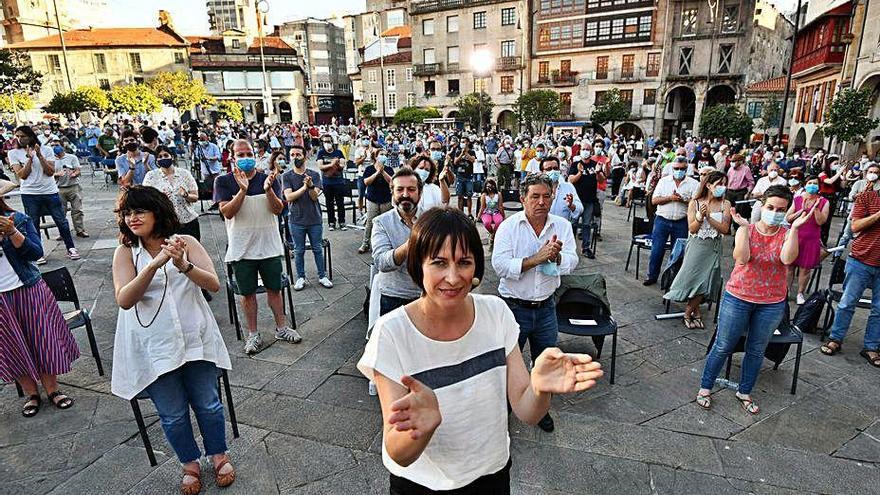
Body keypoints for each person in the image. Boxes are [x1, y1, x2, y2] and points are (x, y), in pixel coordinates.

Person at [358, 207, 602, 493]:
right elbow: (399, 452)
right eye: (438, 262)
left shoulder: (495, 313)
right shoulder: (392, 332)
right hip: (422, 484)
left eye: (464, 262)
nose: (452, 277)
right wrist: (418, 431)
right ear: (417, 264)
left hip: (492, 475)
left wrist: (539, 388)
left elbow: (528, 411)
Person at [110, 186, 234, 494]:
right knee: (173, 413)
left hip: (195, 337)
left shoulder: (187, 242)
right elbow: (125, 299)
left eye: (139, 211)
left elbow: (214, 284)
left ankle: (219, 454)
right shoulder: (126, 252)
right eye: (127, 213)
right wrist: (153, 265)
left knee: (208, 404)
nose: (132, 218)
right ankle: (189, 464)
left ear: (158, 211)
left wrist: (183, 265)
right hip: (155, 345)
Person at [697, 186, 810, 414]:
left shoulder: (787, 233)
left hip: (772, 302)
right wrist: (745, 230)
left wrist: (795, 229)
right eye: (770, 207)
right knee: (723, 345)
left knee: (757, 349)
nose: (775, 212)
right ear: (762, 206)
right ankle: (705, 387)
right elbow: (742, 258)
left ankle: (745, 390)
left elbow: (787, 259)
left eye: (781, 209)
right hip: (738, 297)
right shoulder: (745, 229)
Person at [491, 173, 579, 432]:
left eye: (546, 196)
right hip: (513, 308)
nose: (541, 202)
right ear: (523, 198)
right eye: (535, 196)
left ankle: (540, 410)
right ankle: (504, 409)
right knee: (508, 362)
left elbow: (573, 261)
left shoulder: (562, 226)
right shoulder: (509, 227)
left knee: (545, 363)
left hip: (546, 307)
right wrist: (536, 259)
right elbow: (500, 265)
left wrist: (558, 258)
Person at [215, 139, 300, 354]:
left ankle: (281, 327)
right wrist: (242, 191)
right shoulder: (223, 181)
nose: (245, 158)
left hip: (268, 246)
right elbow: (227, 212)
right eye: (240, 155)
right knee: (247, 294)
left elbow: (278, 209)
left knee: (275, 289)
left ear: (255, 153)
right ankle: (252, 334)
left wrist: (269, 190)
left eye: (248, 153)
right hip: (241, 248)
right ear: (232, 157)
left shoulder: (268, 178)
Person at [0, 195, 79, 418]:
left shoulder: (18, 219)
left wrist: (13, 232)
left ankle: (53, 390)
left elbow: (36, 253)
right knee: (11, 345)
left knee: (42, 338)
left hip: (27, 288)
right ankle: (31, 393)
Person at [820, 166, 880, 367]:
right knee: (847, 303)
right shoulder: (866, 198)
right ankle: (835, 338)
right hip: (861, 259)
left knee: (879, 309)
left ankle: (871, 346)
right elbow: (854, 226)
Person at [664, 171, 731, 328]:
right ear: (708, 185)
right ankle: (695, 311)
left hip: (714, 246)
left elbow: (725, 229)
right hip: (697, 245)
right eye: (719, 184)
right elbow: (692, 229)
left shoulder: (725, 204)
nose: (723, 187)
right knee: (693, 277)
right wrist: (700, 217)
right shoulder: (695, 202)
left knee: (706, 279)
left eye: (724, 184)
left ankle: (689, 311)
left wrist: (709, 217)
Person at [8, 125, 80, 262]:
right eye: (17, 136)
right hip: (29, 193)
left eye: (22, 136)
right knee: (33, 223)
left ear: (30, 136)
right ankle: (39, 252)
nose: (19, 139)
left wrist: (39, 155)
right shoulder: (13, 153)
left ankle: (70, 248)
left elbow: (50, 172)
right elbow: (22, 175)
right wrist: (29, 159)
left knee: (61, 220)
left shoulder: (46, 150)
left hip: (49, 191)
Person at [282, 144, 333, 291]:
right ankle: (300, 277)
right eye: (292, 155)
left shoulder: (314, 175)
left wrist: (310, 186)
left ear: (305, 156)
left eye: (298, 154)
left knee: (317, 248)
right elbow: (289, 197)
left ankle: (322, 275)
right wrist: (304, 187)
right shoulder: (287, 176)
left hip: (314, 219)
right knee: (299, 250)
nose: (295, 157)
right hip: (296, 220)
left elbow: (314, 197)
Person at [644, 158, 699, 285]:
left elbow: (695, 203)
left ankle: (673, 279)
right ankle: (652, 276)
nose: (679, 171)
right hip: (662, 220)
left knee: (678, 252)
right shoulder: (664, 181)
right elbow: (654, 200)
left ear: (686, 169)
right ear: (672, 168)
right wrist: (670, 198)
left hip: (681, 221)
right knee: (656, 250)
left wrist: (683, 200)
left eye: (682, 169)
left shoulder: (693, 183)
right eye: (676, 168)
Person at [785, 176, 829, 305]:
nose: (812, 185)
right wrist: (802, 211)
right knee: (789, 266)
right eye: (810, 183)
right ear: (805, 184)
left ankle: (800, 293)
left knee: (805, 268)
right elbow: (788, 218)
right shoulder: (797, 199)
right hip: (795, 237)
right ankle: (786, 291)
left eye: (815, 183)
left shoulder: (824, 202)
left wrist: (815, 208)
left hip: (811, 239)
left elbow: (821, 221)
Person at [51, 137, 89, 238]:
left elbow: (78, 170)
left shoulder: (72, 157)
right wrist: (56, 174)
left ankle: (80, 230)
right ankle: (63, 233)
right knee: (60, 212)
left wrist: (74, 174)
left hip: (73, 186)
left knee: (77, 209)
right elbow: (48, 173)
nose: (56, 148)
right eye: (53, 145)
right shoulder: (51, 160)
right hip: (59, 188)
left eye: (57, 145)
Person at [358, 149, 393, 254]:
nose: (383, 156)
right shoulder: (369, 168)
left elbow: (392, 182)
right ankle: (365, 243)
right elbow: (366, 182)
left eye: (385, 155)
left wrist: (383, 172)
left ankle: (386, 244)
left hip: (386, 200)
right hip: (373, 199)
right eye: (381, 154)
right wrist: (377, 172)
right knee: (370, 222)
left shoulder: (389, 169)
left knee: (385, 223)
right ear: (376, 156)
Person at [317, 134, 348, 231]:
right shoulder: (321, 153)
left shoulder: (338, 152)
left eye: (328, 141)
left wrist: (337, 164)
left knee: (340, 203)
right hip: (327, 182)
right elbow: (321, 166)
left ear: (332, 142)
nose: (327, 143)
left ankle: (342, 222)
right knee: (329, 203)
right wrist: (332, 164)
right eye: (325, 141)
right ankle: (331, 222)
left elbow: (342, 165)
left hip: (338, 182)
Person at [477, 177, 505, 248]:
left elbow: (500, 206)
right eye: (488, 186)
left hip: (496, 212)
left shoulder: (498, 194)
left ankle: (494, 235)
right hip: (487, 212)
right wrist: (478, 216)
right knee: (487, 223)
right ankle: (492, 233)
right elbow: (482, 207)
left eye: (491, 186)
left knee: (499, 222)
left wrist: (503, 216)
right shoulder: (484, 195)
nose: (490, 188)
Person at [453, 135, 477, 218]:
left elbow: (473, 160)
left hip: (469, 176)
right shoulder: (458, 151)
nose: (462, 143)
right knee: (460, 196)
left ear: (468, 143)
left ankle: (469, 213)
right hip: (460, 176)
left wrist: (466, 153)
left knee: (469, 195)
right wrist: (461, 154)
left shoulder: (472, 152)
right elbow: (455, 162)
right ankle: (460, 213)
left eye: (464, 142)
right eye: (461, 142)